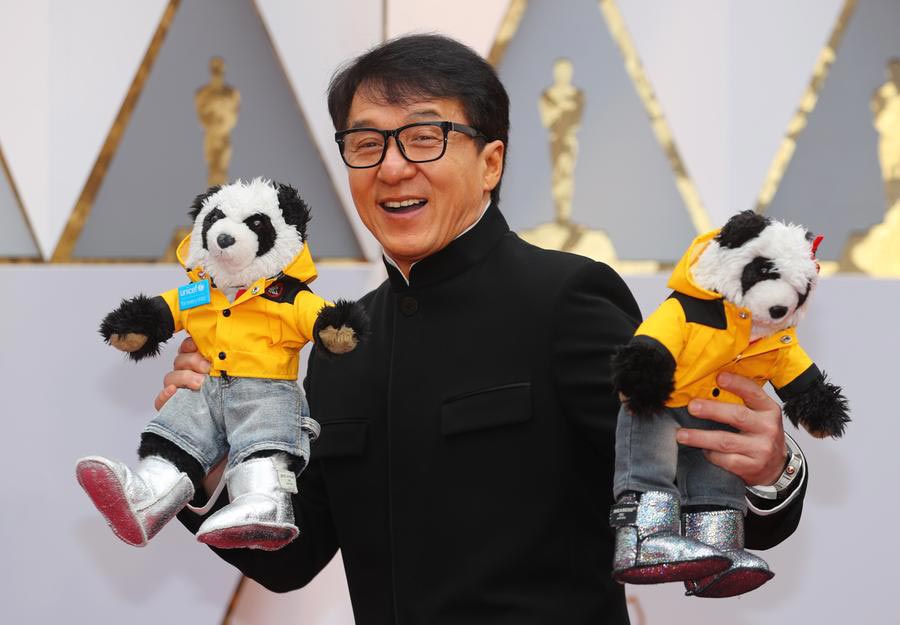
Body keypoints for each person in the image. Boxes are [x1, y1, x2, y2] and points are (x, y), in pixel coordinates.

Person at [162, 35, 807, 625]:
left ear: (491, 162)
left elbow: (677, 469)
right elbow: (291, 558)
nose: (392, 168)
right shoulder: (342, 345)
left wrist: (771, 473)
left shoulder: (566, 299)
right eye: (366, 144)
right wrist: (212, 464)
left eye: (424, 138)